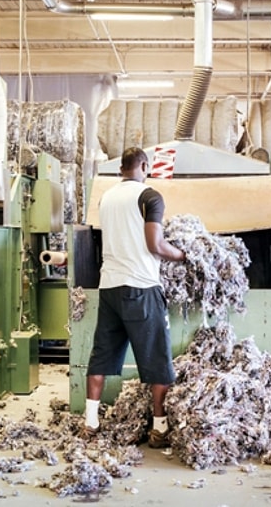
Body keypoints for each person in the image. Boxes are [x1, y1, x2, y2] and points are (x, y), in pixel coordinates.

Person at [84, 146, 186, 448]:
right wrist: (182, 255)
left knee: (101, 356)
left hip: (110, 287)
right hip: (141, 287)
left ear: (121, 169)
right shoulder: (150, 196)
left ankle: (90, 423)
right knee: (158, 360)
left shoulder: (105, 198)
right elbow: (155, 244)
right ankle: (159, 428)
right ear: (143, 166)